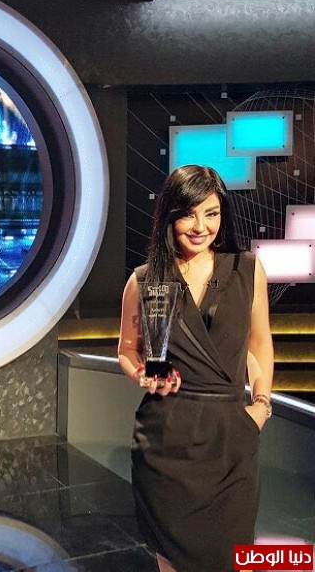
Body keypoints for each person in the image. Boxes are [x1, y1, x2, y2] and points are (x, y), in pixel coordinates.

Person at [118, 164, 274, 572]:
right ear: (170, 216)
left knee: (231, 558)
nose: (201, 226)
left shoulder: (246, 269)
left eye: (211, 213)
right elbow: (127, 351)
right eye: (189, 214)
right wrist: (141, 375)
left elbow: (259, 345)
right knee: (171, 561)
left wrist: (260, 406)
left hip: (230, 439)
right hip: (165, 443)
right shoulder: (145, 280)